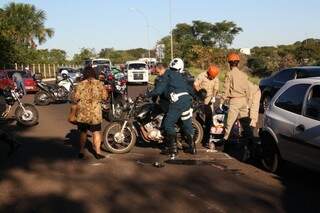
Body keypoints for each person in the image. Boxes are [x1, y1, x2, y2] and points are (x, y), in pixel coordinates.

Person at [147, 58, 195, 159]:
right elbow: (190, 89)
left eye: (158, 72)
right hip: (187, 101)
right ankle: (192, 147)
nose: (157, 74)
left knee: (167, 124)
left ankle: (173, 149)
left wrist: (147, 94)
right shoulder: (180, 75)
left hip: (177, 102)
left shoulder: (166, 75)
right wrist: (198, 97)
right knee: (186, 123)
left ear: (161, 69)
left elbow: (158, 91)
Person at [73, 66, 108, 159]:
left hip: (83, 113)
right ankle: (98, 152)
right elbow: (105, 97)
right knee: (96, 132)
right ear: (94, 73)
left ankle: (81, 151)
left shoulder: (80, 84)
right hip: (95, 113)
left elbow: (75, 98)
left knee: (83, 132)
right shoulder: (100, 84)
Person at [220, 52, 253, 144]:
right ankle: (250, 141)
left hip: (235, 101)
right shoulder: (243, 75)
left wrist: (221, 101)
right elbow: (248, 90)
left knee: (229, 123)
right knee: (245, 123)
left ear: (229, 63)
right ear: (237, 63)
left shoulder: (229, 74)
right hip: (243, 101)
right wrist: (248, 104)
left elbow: (226, 89)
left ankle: (224, 141)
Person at [194, 65, 220, 151]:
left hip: (209, 102)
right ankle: (197, 135)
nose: (212, 78)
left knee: (209, 121)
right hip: (199, 100)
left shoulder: (215, 78)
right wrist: (199, 93)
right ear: (208, 73)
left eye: (213, 77)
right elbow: (195, 85)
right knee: (198, 118)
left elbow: (216, 89)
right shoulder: (202, 75)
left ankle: (206, 140)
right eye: (211, 76)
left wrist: (214, 96)